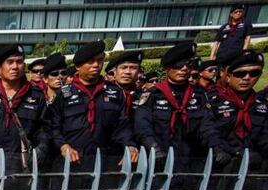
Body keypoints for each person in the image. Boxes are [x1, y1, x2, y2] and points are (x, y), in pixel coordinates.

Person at [47, 40, 137, 171]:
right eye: (90, 61)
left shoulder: (115, 92)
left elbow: (122, 125)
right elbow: (53, 126)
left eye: (99, 60)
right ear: (78, 66)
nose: (96, 65)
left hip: (106, 161)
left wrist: (129, 145)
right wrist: (63, 146)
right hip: (72, 162)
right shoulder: (64, 94)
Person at [134, 43, 224, 171]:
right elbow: (142, 125)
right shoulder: (153, 95)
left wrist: (217, 147)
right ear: (167, 68)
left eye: (188, 64)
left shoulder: (198, 95)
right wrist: (153, 148)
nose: (184, 69)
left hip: (191, 159)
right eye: (178, 65)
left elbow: (207, 125)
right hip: (160, 158)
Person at [0, 43, 48, 172]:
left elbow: (44, 127)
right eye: (10, 62)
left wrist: (42, 147)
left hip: (24, 167)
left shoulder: (37, 96)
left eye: (19, 62)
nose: (15, 67)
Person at [207, 51, 267, 170]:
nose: (247, 78)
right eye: (240, 74)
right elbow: (209, 134)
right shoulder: (211, 102)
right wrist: (236, 152)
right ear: (228, 77)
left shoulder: (261, 106)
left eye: (254, 73)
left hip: (255, 169)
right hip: (221, 167)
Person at [106, 50, 144, 116]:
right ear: (114, 72)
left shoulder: (144, 96)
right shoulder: (103, 93)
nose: (128, 72)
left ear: (138, 72)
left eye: (133, 68)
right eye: (123, 67)